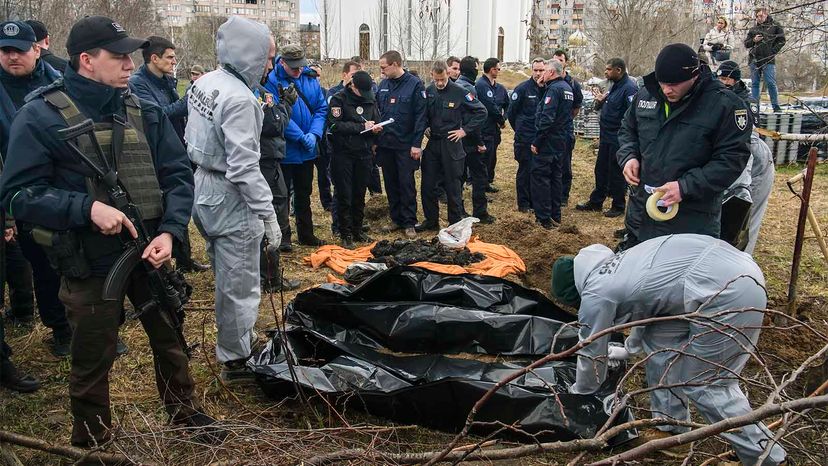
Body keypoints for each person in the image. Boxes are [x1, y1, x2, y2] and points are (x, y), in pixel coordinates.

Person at [0, 15, 225, 446]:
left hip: (150, 249)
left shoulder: (142, 108)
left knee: (169, 337)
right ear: (86, 60)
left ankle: (185, 414)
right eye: (118, 56)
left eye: (130, 55)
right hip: (90, 258)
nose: (129, 63)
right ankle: (93, 438)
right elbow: (17, 195)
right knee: (92, 355)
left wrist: (171, 232)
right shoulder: (41, 116)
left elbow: (177, 173)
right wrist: (86, 209)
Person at [550, 234, 787, 466]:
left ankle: (768, 457)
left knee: (707, 384)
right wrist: (628, 349)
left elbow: (591, 348)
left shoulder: (596, 291)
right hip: (719, 272)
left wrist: (580, 392)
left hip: (728, 291)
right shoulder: (621, 263)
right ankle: (670, 430)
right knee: (660, 346)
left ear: (576, 292)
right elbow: (650, 308)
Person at [186, 16, 282, 382]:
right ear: (249, 54)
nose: (269, 66)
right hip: (230, 195)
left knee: (226, 274)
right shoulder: (240, 99)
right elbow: (244, 167)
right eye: (267, 57)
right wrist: (268, 214)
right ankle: (236, 359)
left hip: (204, 185)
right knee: (240, 282)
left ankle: (235, 338)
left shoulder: (206, 82)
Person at [617, 43, 751, 248]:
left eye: (674, 84)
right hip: (641, 216)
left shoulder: (725, 105)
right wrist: (629, 157)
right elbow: (628, 129)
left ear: (694, 76)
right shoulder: (646, 95)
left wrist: (685, 186)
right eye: (662, 82)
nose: (666, 90)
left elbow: (731, 160)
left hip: (690, 223)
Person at [0, 20, 72, 357]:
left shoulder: (59, 79)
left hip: (62, 184)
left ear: (37, 49)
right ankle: (59, 328)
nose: (12, 57)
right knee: (41, 265)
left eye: (19, 50)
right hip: (21, 191)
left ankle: (87, 324)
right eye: (5, 50)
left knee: (75, 259)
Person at [129, 35, 210, 274]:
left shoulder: (166, 81)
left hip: (176, 146)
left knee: (179, 200)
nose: (174, 62)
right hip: (154, 153)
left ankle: (184, 259)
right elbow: (157, 115)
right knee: (162, 204)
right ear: (154, 58)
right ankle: (162, 263)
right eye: (170, 57)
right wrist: (190, 99)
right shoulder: (138, 84)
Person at [265, 44, 327, 247]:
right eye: (294, 67)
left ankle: (306, 234)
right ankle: (283, 237)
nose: (298, 71)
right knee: (281, 196)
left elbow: (320, 108)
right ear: (282, 62)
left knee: (304, 193)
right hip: (285, 149)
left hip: (307, 150)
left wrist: (314, 134)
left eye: (300, 66)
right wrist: (300, 136)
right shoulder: (272, 81)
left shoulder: (310, 79)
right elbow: (277, 114)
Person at [418, 61, 487, 231]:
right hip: (433, 143)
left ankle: (454, 222)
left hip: (452, 143)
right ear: (432, 76)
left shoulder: (460, 92)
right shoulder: (430, 91)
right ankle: (431, 220)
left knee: (453, 185)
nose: (440, 83)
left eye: (442, 79)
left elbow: (481, 111)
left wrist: (465, 130)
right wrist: (427, 126)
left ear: (448, 74)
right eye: (437, 80)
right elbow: (425, 114)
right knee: (427, 184)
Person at [716, 60, 775, 255]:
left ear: (735, 80)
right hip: (739, 160)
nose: (723, 82)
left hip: (757, 166)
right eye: (720, 78)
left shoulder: (744, 103)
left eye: (726, 78)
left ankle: (742, 266)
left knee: (744, 217)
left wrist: (739, 191)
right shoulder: (718, 99)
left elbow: (744, 149)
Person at [255, 72, 302, 291]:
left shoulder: (257, 89)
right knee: (271, 213)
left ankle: (268, 275)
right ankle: (269, 279)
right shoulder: (255, 92)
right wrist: (286, 104)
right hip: (265, 162)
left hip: (267, 160)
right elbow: (275, 124)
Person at [327, 70, 382, 249]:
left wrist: (376, 129)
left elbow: (376, 118)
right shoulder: (338, 99)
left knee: (359, 192)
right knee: (345, 194)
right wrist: (360, 127)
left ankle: (357, 229)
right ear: (352, 86)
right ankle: (345, 232)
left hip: (364, 153)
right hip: (343, 153)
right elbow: (335, 125)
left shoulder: (370, 98)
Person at [576, 57, 638, 218]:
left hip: (618, 138)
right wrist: (601, 102)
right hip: (605, 136)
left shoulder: (629, 88)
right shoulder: (614, 87)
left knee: (616, 172)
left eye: (609, 69)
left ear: (619, 70)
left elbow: (632, 115)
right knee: (601, 170)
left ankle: (618, 205)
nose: (605, 72)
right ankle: (596, 201)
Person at [376, 50, 427, 239]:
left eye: (384, 67)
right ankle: (396, 218)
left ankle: (409, 221)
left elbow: (421, 117)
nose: (381, 71)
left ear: (396, 64)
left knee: (406, 184)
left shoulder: (414, 85)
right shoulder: (383, 85)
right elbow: (377, 112)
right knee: (390, 183)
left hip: (405, 145)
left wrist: (416, 144)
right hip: (386, 144)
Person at [531, 59, 573, 230]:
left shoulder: (554, 90)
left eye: (545, 70)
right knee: (556, 177)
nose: (542, 74)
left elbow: (547, 118)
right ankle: (556, 214)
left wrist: (537, 141)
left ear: (552, 72)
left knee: (541, 178)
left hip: (548, 141)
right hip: (560, 140)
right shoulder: (566, 88)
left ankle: (543, 217)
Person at [453, 55, 493, 225]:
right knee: (479, 176)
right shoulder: (469, 89)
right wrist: (480, 142)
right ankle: (480, 212)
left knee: (458, 177)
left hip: (455, 139)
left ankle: (459, 210)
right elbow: (474, 118)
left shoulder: (454, 86)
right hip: (469, 141)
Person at [507, 57, 546, 213]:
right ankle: (524, 204)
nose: (538, 73)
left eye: (541, 70)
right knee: (525, 170)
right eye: (535, 70)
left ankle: (536, 202)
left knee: (538, 172)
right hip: (525, 139)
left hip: (541, 139)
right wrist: (521, 130)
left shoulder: (549, 89)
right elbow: (512, 113)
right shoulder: (522, 89)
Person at [552, 50, 583, 206]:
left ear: (565, 63)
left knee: (564, 163)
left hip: (565, 130)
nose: (557, 61)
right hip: (550, 130)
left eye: (560, 59)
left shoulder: (572, 84)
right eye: (554, 59)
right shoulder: (548, 80)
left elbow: (576, 106)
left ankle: (563, 195)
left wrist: (566, 120)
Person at [475, 57, 509, 193]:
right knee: (484, 158)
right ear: (492, 69)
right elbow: (490, 106)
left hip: (494, 129)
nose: (499, 71)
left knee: (492, 157)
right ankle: (481, 186)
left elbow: (507, 104)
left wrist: (504, 118)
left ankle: (488, 181)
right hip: (484, 127)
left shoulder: (499, 88)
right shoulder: (481, 85)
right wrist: (501, 120)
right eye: (498, 68)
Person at [745, 6, 785, 112]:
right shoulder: (753, 29)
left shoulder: (775, 26)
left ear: (766, 14)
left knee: (770, 83)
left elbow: (782, 40)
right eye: (757, 16)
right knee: (755, 84)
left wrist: (772, 51)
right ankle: (755, 108)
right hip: (754, 59)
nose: (759, 18)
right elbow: (746, 44)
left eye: (761, 16)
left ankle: (776, 106)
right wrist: (754, 40)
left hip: (768, 59)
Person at [309, 62, 334, 211]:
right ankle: (294, 206)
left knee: (324, 173)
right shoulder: (298, 90)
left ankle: (327, 202)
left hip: (322, 139)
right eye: (313, 73)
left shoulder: (324, 92)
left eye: (318, 75)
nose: (315, 77)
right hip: (306, 137)